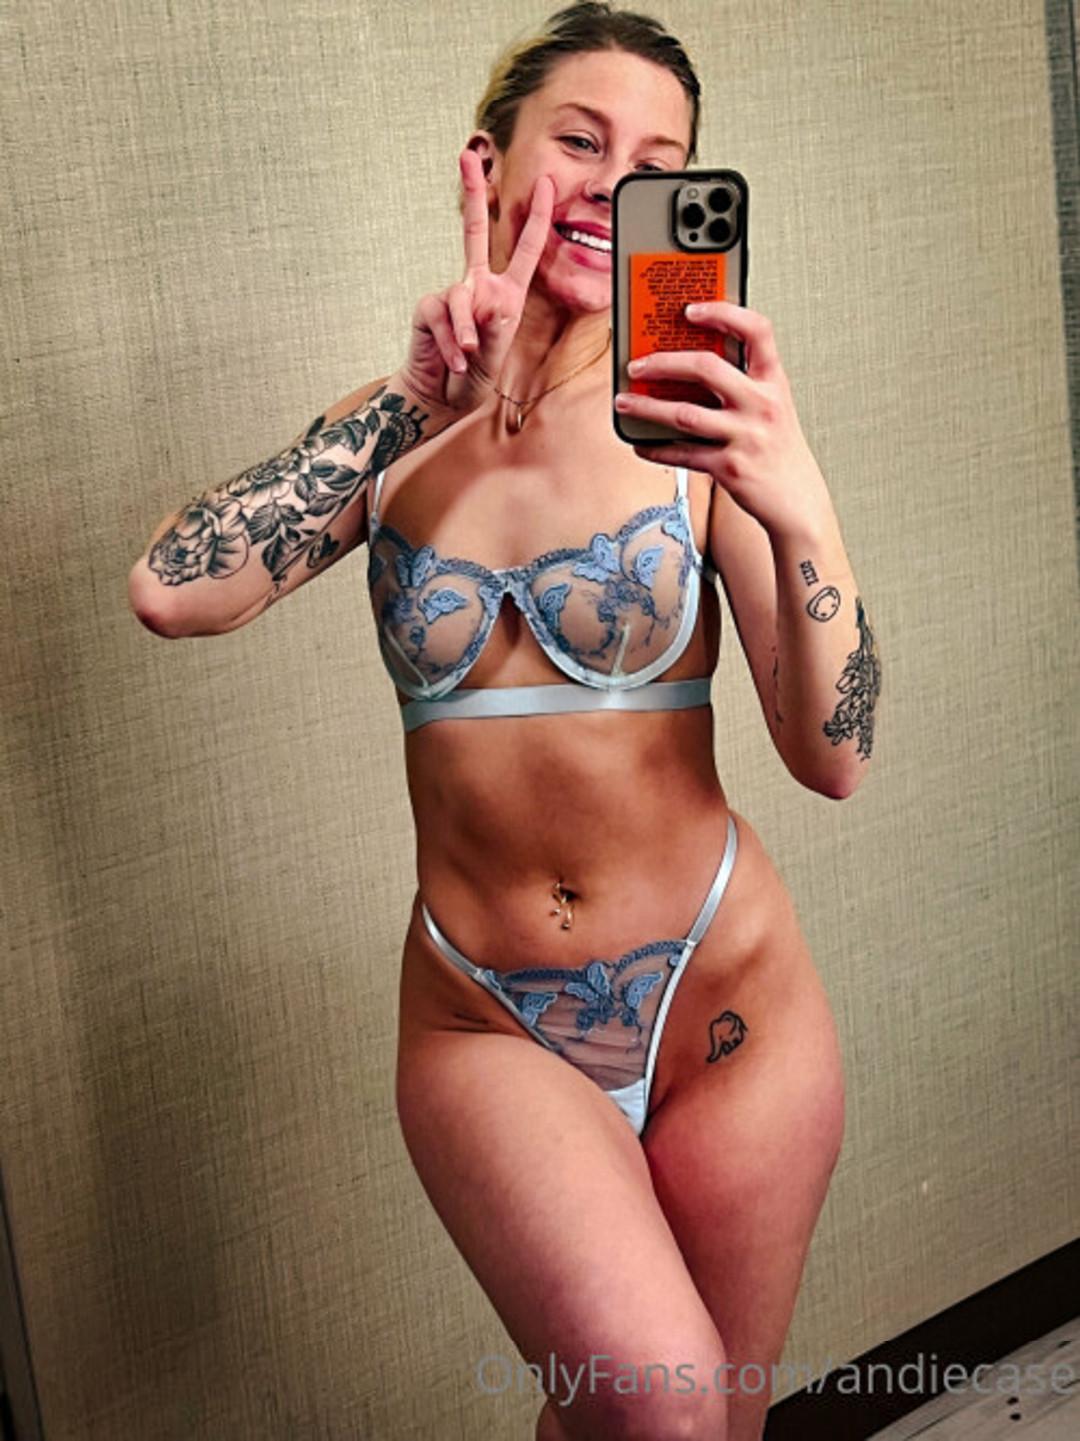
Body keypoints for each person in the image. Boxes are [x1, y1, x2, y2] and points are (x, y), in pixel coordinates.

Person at [128, 5, 882, 1437]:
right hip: (489, 1020)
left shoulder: (702, 434)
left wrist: (803, 504)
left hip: (732, 1004)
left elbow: (834, 756)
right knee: (660, 1409)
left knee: (698, 1423)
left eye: (657, 164)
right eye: (580, 141)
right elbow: (170, 591)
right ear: (488, 164)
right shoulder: (396, 429)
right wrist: (413, 405)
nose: (612, 184)